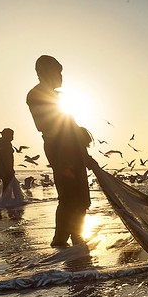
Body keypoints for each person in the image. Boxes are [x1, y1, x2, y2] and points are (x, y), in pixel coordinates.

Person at [26, 55, 95, 247]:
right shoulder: (37, 95)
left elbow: (68, 125)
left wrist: (85, 153)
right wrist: (64, 162)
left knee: (80, 197)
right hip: (62, 151)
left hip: (72, 150)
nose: (61, 76)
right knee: (70, 197)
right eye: (58, 72)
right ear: (46, 72)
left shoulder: (54, 96)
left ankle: (75, 236)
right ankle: (61, 240)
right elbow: (50, 127)